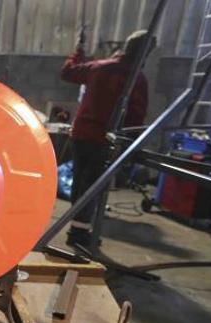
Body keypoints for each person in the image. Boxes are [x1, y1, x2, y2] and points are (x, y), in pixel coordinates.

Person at [60, 30, 154, 248]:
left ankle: (78, 228)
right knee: (92, 188)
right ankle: (79, 234)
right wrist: (132, 145)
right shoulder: (136, 79)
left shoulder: (99, 67)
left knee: (80, 184)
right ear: (145, 53)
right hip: (104, 140)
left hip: (81, 134)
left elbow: (67, 73)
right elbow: (136, 115)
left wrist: (78, 52)